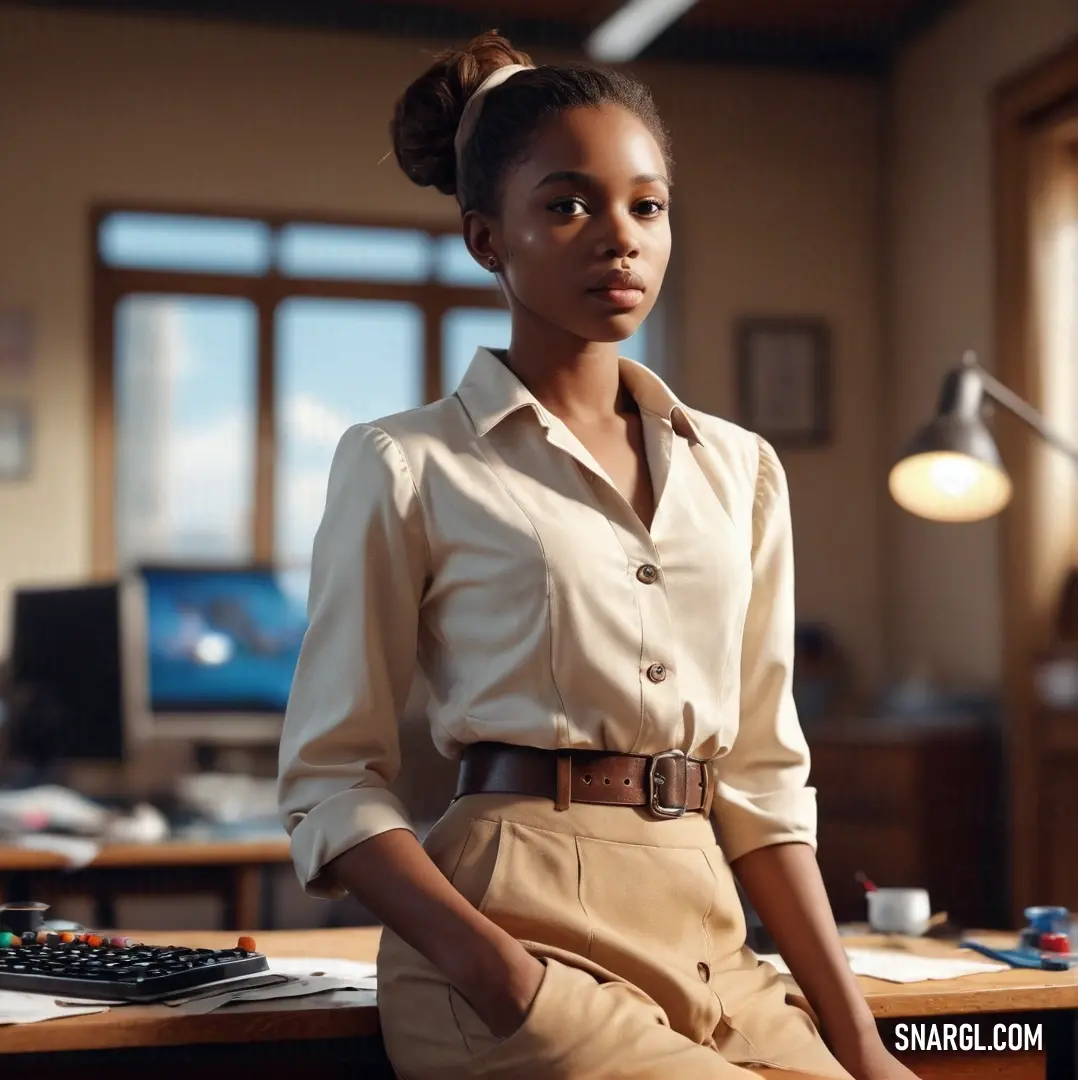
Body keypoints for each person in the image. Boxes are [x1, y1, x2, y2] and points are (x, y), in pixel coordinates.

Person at [277, 30, 918, 1080]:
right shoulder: (406, 462)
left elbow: (760, 778)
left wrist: (861, 1046)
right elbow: (329, 780)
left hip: (719, 950)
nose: (619, 238)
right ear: (488, 239)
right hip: (514, 944)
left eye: (647, 205)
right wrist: (497, 973)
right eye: (568, 204)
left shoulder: (742, 468)